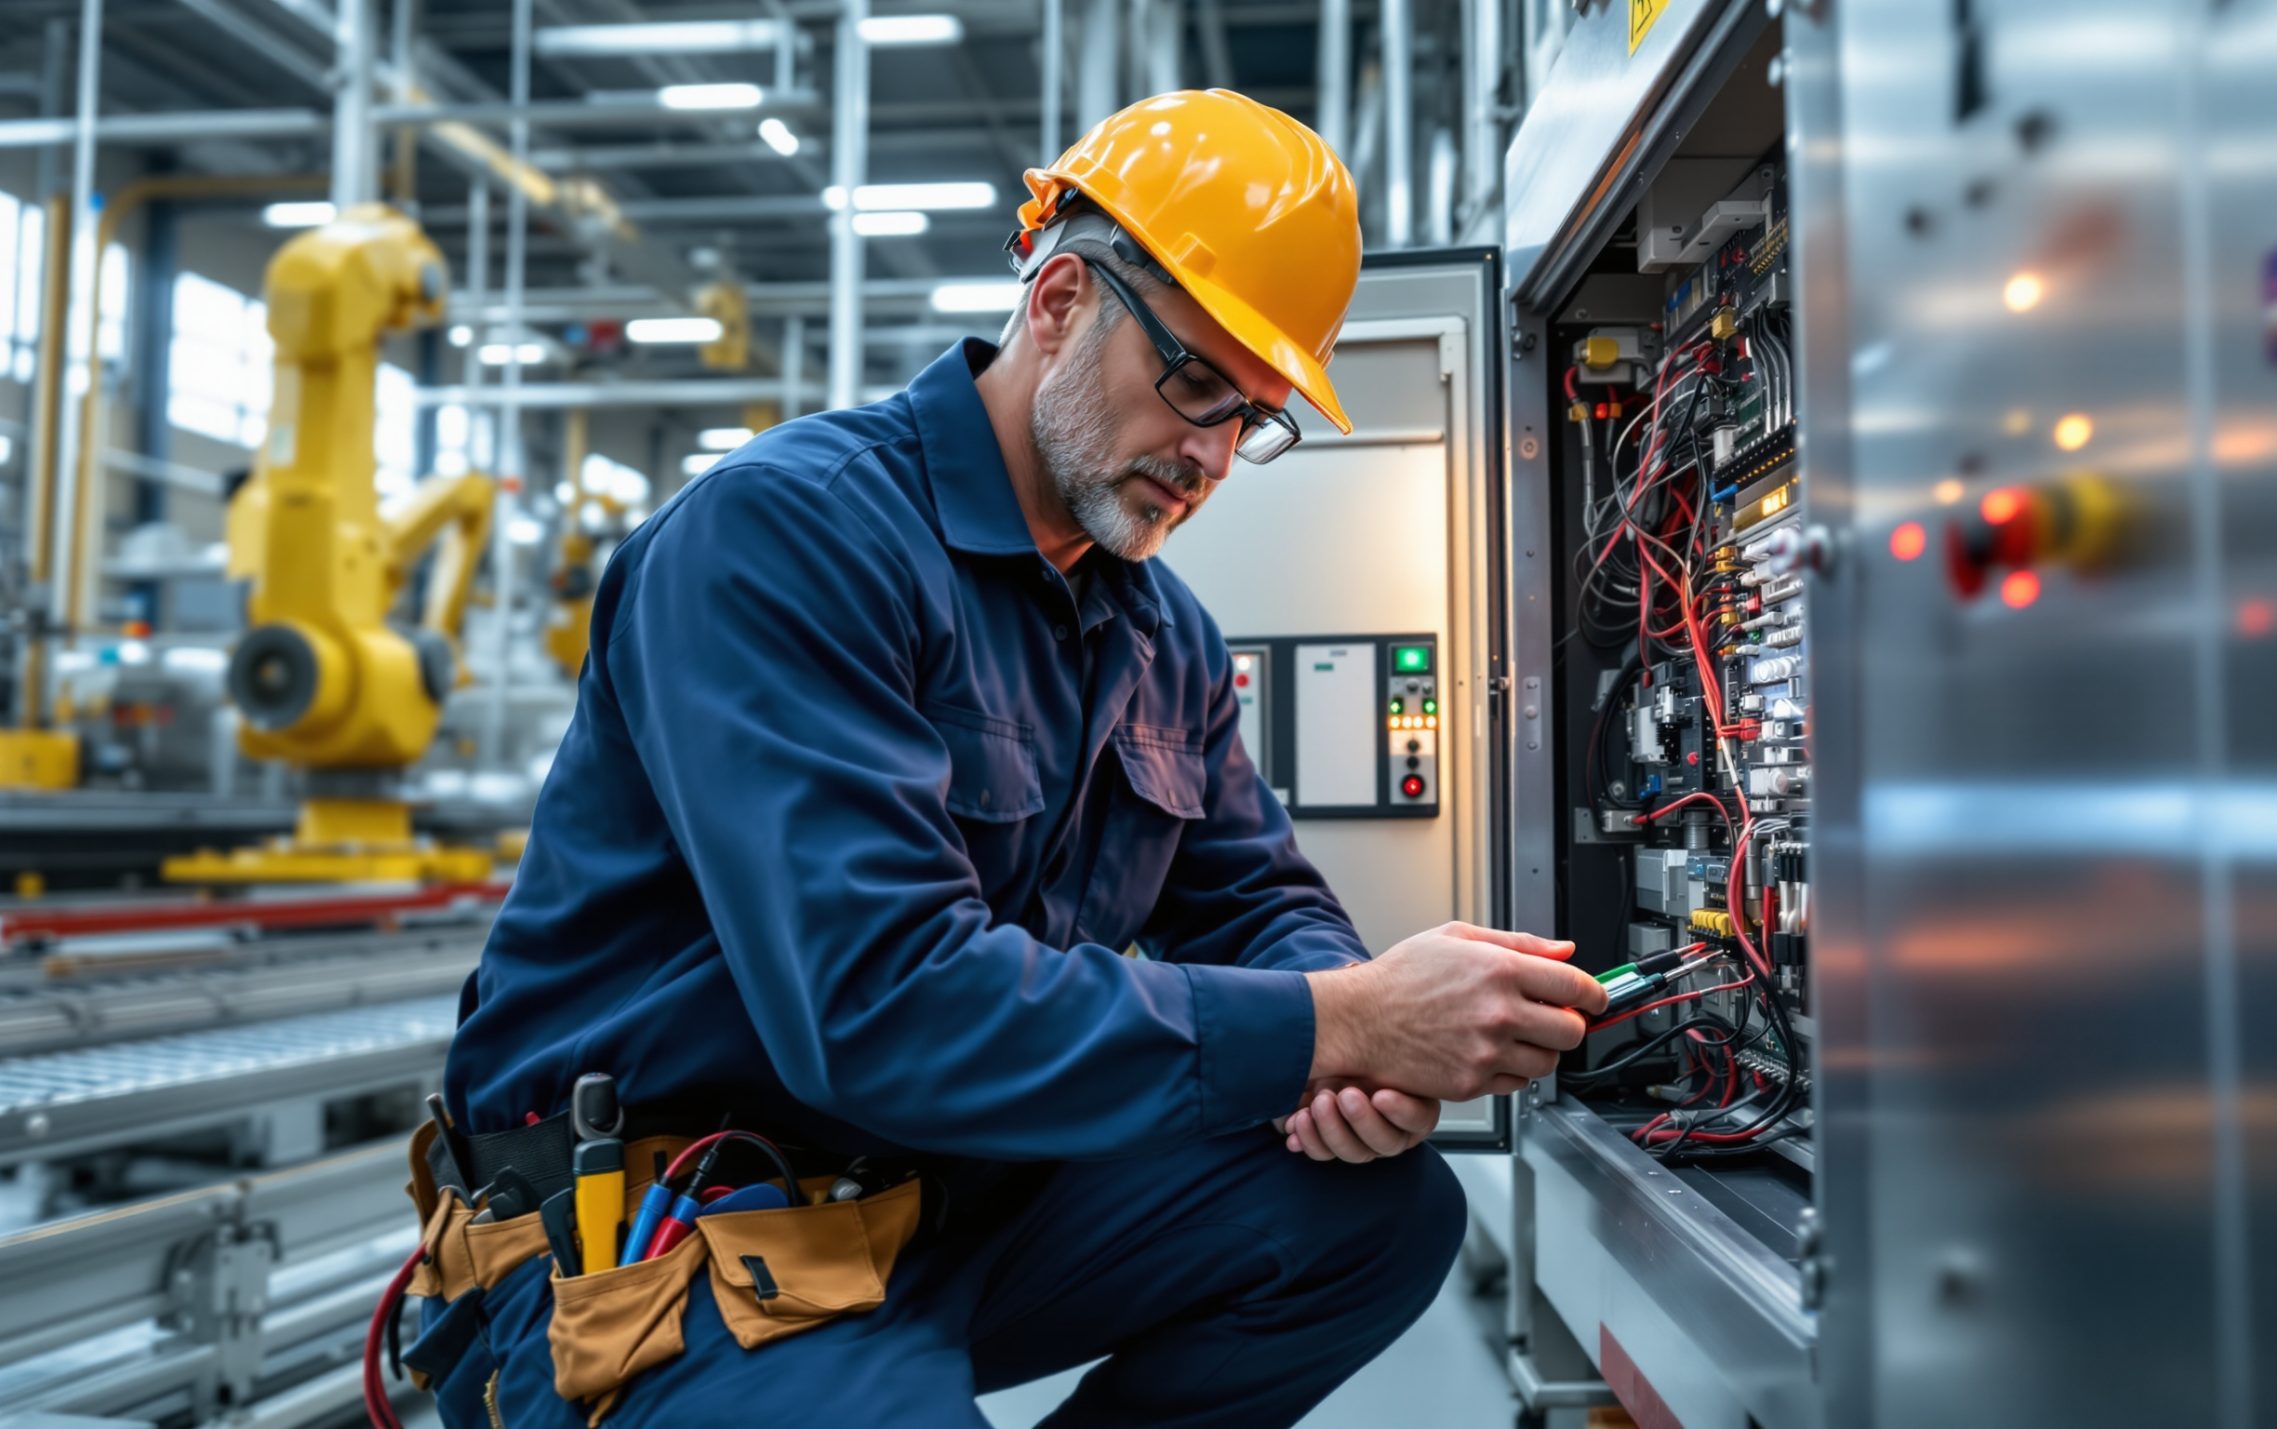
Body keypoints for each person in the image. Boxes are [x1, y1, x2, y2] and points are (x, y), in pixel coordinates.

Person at [416, 89, 1607, 1428]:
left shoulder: (1157, 630)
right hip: (662, 1222)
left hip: (934, 1195)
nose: (1213, 454)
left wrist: (1345, 1059)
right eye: (1196, 381)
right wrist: (1350, 1021)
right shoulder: (787, 542)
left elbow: (1256, 897)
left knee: (1375, 1214)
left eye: (1253, 415)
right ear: (1057, 303)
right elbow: (879, 1008)